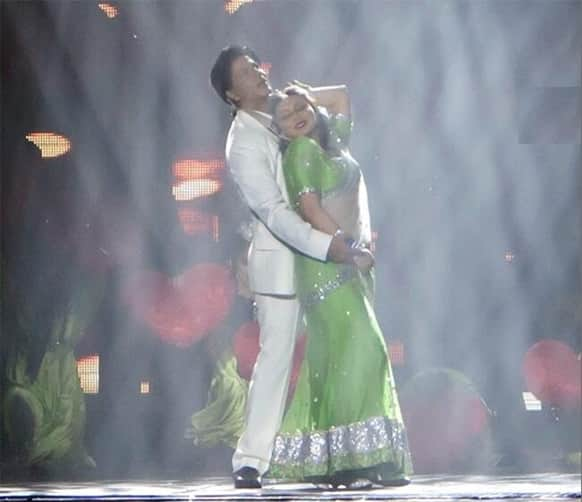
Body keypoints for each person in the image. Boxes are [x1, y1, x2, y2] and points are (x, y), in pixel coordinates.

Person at [209, 45, 361, 489]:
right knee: (276, 358)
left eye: (256, 65)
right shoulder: (242, 143)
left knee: (338, 350)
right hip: (286, 263)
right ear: (232, 95)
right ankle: (252, 459)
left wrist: (301, 95)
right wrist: (326, 243)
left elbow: (340, 106)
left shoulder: (284, 114)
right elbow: (273, 211)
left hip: (324, 255)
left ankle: (343, 452)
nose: (257, 72)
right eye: (245, 71)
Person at [264, 85, 413, 487]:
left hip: (351, 264)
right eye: (285, 115)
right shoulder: (301, 153)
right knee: (364, 352)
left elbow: (344, 96)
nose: (297, 114)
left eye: (302, 108)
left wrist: (301, 91)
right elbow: (311, 211)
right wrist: (349, 249)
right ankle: (351, 461)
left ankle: (365, 459)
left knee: (348, 357)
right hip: (328, 264)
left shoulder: (333, 147)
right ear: (279, 132)